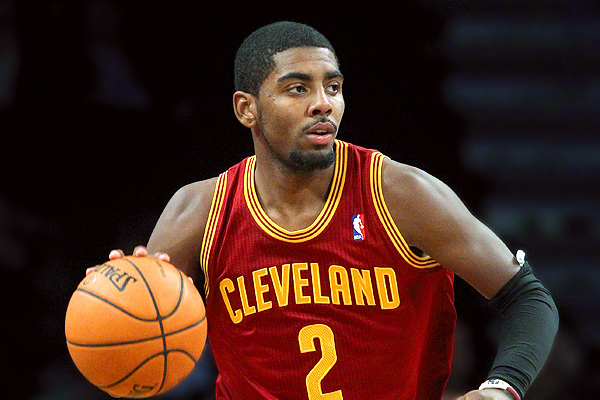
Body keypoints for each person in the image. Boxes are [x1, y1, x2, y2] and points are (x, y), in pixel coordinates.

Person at [105, 22, 559, 400]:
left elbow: (528, 298)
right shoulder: (201, 210)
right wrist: (114, 298)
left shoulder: (399, 194)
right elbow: (136, 350)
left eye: (333, 87)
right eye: (297, 88)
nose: (323, 102)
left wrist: (500, 389)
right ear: (247, 109)